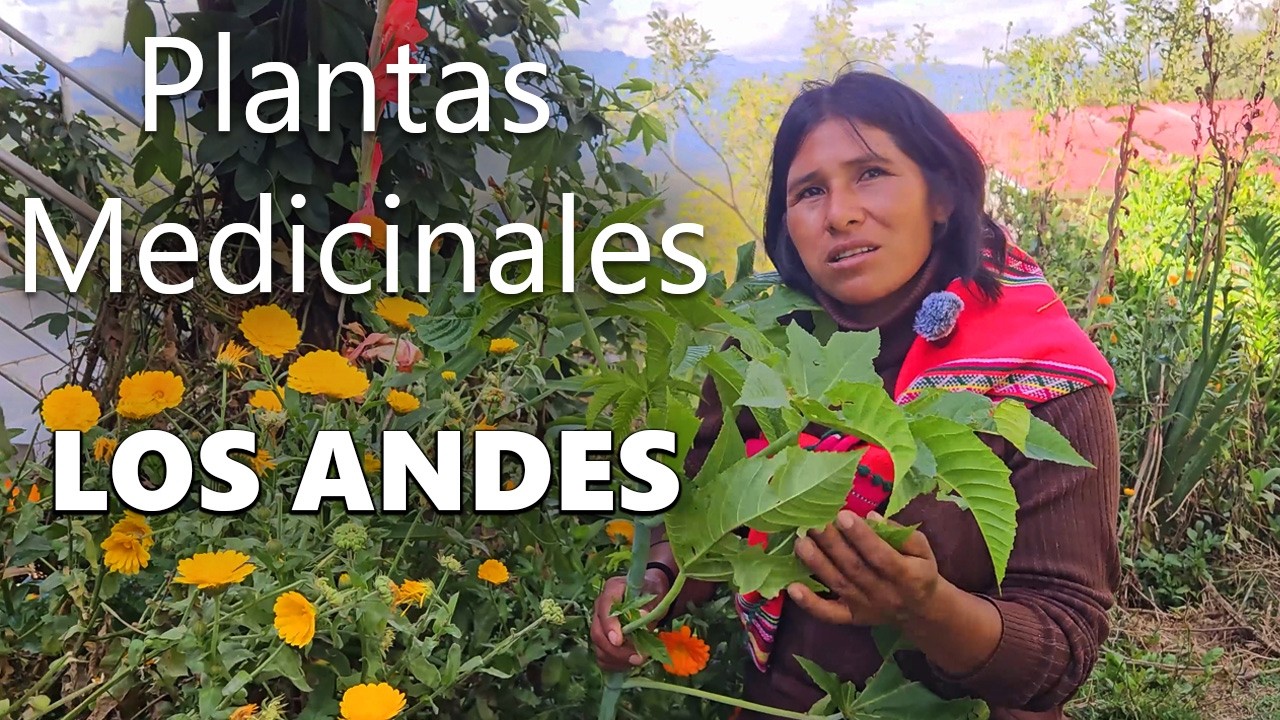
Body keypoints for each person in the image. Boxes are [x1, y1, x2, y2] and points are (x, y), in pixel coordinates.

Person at [589, 70, 1122, 720]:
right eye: (810, 190)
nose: (839, 213)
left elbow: (1064, 648)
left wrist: (927, 611)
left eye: (871, 173)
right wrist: (656, 581)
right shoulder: (759, 349)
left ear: (942, 196)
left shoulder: (1040, 376)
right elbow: (702, 513)